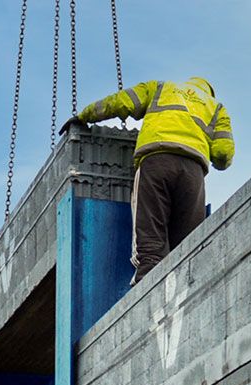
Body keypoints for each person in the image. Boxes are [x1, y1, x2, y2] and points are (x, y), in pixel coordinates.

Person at [61, 77, 234, 283]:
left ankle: (148, 275)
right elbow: (223, 153)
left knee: (150, 220)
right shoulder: (216, 107)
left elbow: (121, 102)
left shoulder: (161, 88)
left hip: (156, 160)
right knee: (189, 240)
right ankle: (187, 281)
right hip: (193, 171)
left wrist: (85, 115)